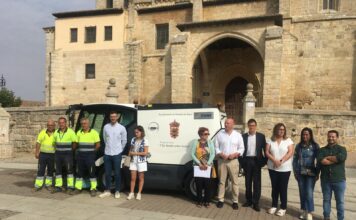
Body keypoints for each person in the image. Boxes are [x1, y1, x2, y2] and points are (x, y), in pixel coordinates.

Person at [214, 117, 244, 210]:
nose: (226, 124)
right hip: (222, 161)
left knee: (235, 182)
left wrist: (235, 154)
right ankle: (221, 200)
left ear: (233, 124)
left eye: (228, 123)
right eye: (225, 123)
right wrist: (220, 153)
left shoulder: (238, 135)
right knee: (222, 182)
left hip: (233, 161)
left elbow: (242, 148)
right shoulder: (220, 134)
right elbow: (216, 147)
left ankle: (235, 201)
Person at [265, 123, 294, 216]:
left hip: (285, 169)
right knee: (274, 187)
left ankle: (283, 207)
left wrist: (281, 161)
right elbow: (267, 152)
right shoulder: (270, 140)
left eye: (283, 129)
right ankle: (274, 205)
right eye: (280, 129)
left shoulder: (288, 140)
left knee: (283, 188)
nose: (281, 131)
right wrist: (274, 160)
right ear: (276, 130)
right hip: (272, 168)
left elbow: (290, 152)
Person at [317, 130, 347, 220]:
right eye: (329, 136)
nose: (331, 138)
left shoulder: (342, 149)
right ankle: (326, 217)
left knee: (340, 202)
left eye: (333, 136)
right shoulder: (322, 150)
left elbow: (341, 158)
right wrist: (335, 160)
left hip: (339, 180)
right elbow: (321, 161)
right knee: (326, 201)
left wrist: (328, 157)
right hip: (326, 180)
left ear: (337, 138)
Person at [293, 128, 320, 220]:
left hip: (311, 173)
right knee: (302, 192)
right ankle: (304, 210)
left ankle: (309, 212)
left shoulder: (315, 146)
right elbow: (295, 160)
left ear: (310, 135)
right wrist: (295, 172)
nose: (305, 136)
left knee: (309, 192)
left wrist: (317, 173)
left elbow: (318, 161)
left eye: (307, 134)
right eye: (303, 134)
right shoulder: (298, 146)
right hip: (300, 172)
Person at [99, 111, 127, 199]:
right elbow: (104, 138)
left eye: (114, 117)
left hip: (117, 154)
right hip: (107, 153)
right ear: (110, 117)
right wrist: (108, 147)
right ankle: (107, 190)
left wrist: (120, 150)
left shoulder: (121, 128)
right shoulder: (106, 127)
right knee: (107, 173)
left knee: (117, 173)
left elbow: (124, 140)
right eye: (111, 117)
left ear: (117, 117)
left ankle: (117, 191)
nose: (113, 118)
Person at [241, 119, 267, 212]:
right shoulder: (243, 136)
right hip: (247, 161)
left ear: (256, 126)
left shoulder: (261, 136)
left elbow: (265, 150)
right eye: (250, 125)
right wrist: (242, 162)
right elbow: (240, 150)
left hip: (257, 161)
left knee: (257, 183)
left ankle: (255, 202)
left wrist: (263, 162)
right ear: (248, 126)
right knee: (247, 183)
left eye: (253, 125)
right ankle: (248, 200)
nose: (251, 127)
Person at [74, 118, 100, 197]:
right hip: (80, 156)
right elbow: (76, 143)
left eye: (85, 123)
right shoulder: (79, 132)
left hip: (90, 156)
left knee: (92, 172)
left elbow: (98, 145)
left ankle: (93, 188)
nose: (83, 125)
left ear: (89, 124)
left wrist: (92, 152)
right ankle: (78, 188)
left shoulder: (94, 132)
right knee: (79, 172)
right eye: (82, 124)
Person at [191, 127, 216, 208]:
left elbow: (212, 154)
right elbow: (192, 154)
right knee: (199, 185)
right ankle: (199, 201)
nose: (207, 135)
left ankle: (207, 201)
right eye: (205, 134)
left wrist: (207, 164)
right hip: (198, 167)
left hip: (207, 167)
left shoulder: (210, 142)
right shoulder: (195, 142)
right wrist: (199, 164)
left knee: (208, 185)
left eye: (208, 134)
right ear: (201, 134)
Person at [52, 117, 77, 194]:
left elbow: (75, 142)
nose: (61, 124)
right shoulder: (56, 132)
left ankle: (70, 187)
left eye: (63, 122)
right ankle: (58, 186)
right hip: (58, 154)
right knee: (58, 171)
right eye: (60, 123)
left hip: (67, 154)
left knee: (69, 170)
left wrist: (71, 151)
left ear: (65, 123)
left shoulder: (71, 132)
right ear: (58, 124)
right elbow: (54, 143)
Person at [127, 126, 149, 200]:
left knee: (141, 178)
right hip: (133, 161)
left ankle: (139, 193)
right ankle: (131, 193)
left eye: (137, 132)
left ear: (141, 132)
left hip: (141, 161)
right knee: (133, 178)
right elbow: (130, 151)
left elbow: (145, 153)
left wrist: (135, 153)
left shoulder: (145, 140)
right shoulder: (133, 139)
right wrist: (127, 161)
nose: (136, 134)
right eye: (135, 132)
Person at [34, 119, 56, 191]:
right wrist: (37, 152)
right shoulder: (42, 132)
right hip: (43, 155)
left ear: (54, 126)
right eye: (48, 125)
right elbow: (38, 142)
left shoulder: (57, 133)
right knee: (41, 169)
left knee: (50, 170)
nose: (50, 127)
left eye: (51, 125)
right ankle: (38, 185)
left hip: (52, 155)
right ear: (47, 126)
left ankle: (48, 184)